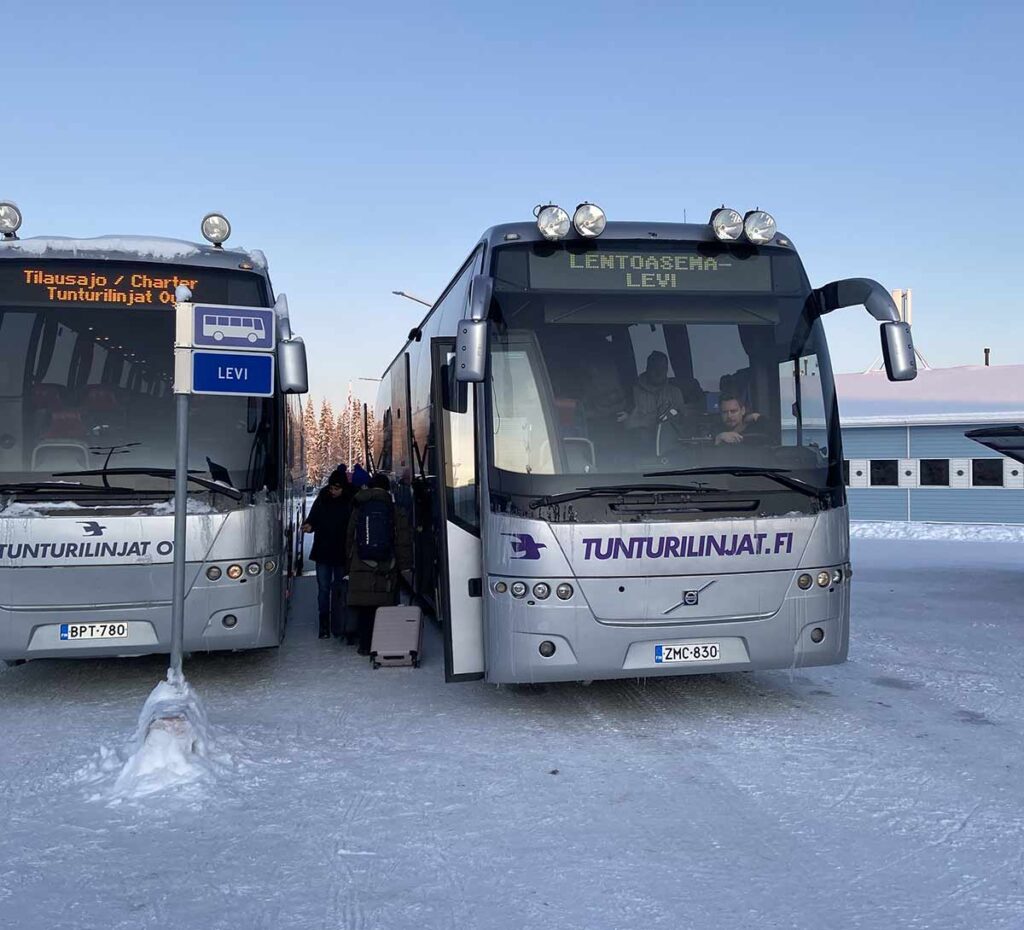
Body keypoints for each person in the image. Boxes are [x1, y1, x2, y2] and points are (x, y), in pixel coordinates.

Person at [346, 472, 413, 655]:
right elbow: (402, 540)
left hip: (361, 565)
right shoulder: (395, 509)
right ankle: (383, 644)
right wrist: (405, 565)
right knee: (383, 607)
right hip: (386, 566)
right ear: (387, 489)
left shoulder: (358, 507)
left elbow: (350, 536)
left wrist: (349, 561)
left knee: (365, 609)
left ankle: (365, 646)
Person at [302, 467, 352, 639]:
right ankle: (324, 623)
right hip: (324, 551)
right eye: (331, 488)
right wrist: (309, 525)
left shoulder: (349, 502)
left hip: (339, 553)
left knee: (338, 589)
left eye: (336, 489)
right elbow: (313, 518)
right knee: (324, 589)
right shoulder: (322, 499)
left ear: (343, 488)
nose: (333, 492)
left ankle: (338, 621)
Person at [625, 351, 686, 431]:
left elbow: (684, 424)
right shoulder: (632, 393)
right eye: (655, 368)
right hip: (640, 441)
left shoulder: (675, 393)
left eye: (663, 368)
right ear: (647, 368)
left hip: (670, 441)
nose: (659, 372)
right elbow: (626, 425)